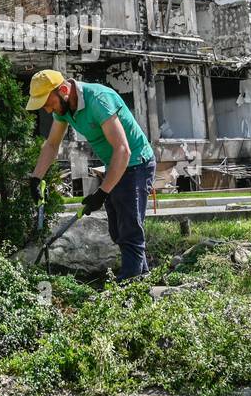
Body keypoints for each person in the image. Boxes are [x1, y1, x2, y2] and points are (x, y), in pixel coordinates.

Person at [25, 69, 155, 280]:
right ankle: (143, 276)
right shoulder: (64, 108)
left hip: (136, 163)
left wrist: (102, 193)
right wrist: (36, 177)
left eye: (49, 103)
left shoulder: (98, 100)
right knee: (117, 230)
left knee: (129, 227)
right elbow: (51, 145)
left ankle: (131, 285)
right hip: (114, 164)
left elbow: (123, 150)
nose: (48, 110)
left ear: (64, 90)